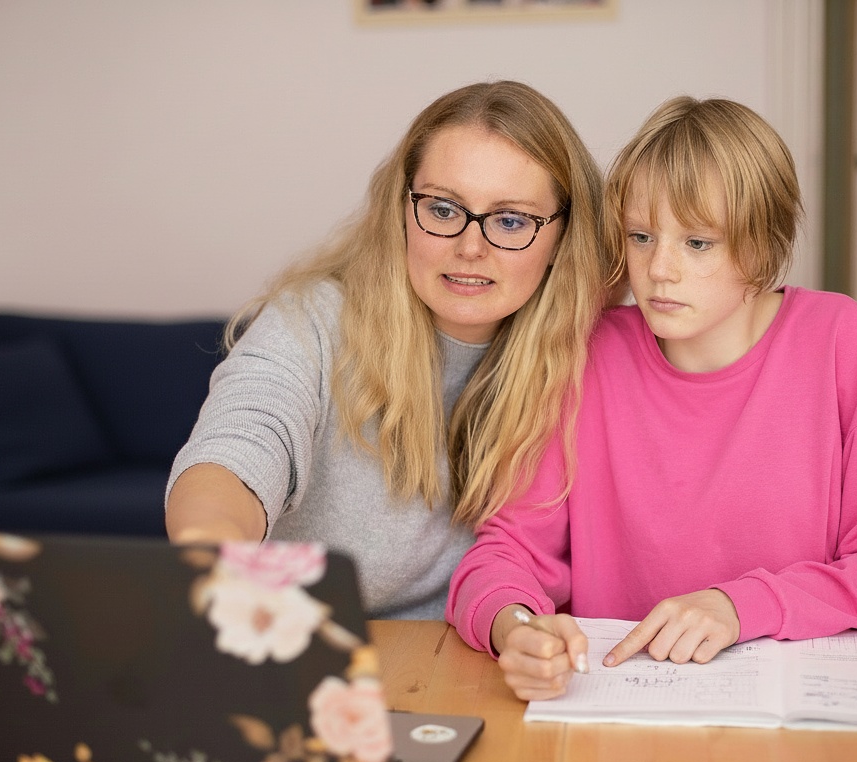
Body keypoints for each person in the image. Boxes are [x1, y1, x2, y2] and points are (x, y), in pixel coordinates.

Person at [446, 96, 857, 699]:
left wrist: (740, 606)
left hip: (796, 713)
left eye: (698, 243)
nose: (659, 269)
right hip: (620, 712)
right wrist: (517, 628)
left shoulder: (838, 339)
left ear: (761, 246)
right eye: (641, 236)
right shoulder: (586, 353)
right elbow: (506, 553)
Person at [166, 81, 611, 620]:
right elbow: (240, 442)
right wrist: (212, 551)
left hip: (470, 658)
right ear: (401, 209)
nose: (471, 247)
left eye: (510, 220)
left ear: (564, 234)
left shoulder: (593, 354)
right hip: (300, 644)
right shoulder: (313, 320)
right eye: (444, 210)